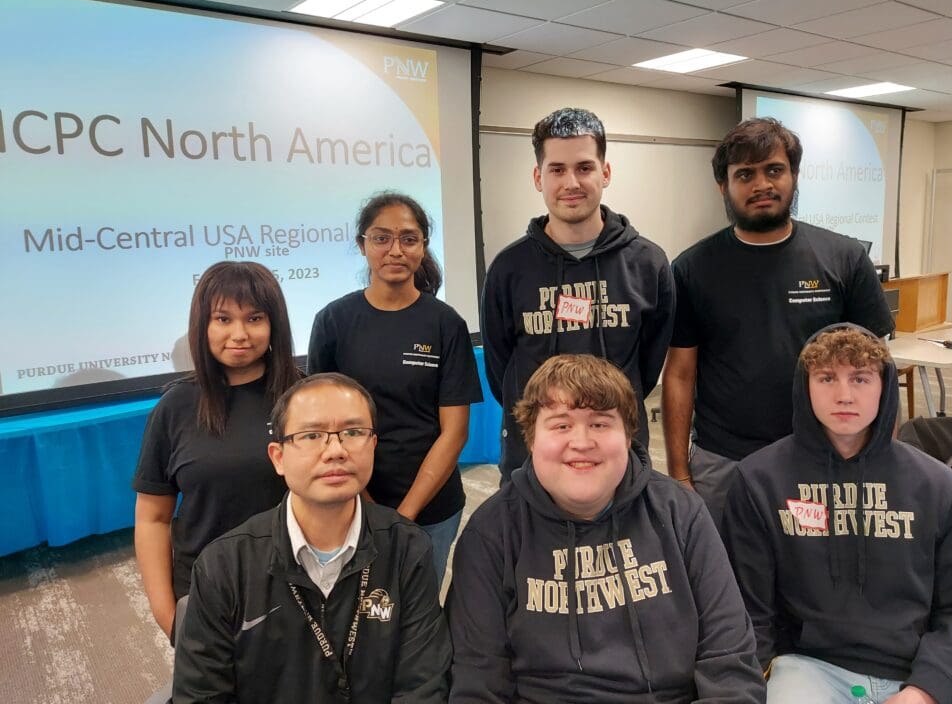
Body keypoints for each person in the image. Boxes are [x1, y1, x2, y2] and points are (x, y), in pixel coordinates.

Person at [447, 354, 765, 703]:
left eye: (600, 424)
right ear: (531, 438)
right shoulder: (491, 533)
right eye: (561, 425)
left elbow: (729, 659)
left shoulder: (681, 512)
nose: (581, 442)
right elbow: (478, 683)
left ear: (629, 436)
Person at [721, 325, 952, 704]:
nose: (844, 395)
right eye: (826, 378)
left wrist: (925, 691)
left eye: (860, 378)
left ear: (885, 386)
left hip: (919, 672)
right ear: (805, 385)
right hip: (807, 669)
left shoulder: (936, 486)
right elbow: (747, 613)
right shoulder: (758, 481)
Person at [662, 117, 895, 526]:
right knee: (726, 578)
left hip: (825, 454)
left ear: (794, 175)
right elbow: (680, 375)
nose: (762, 185)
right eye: (744, 174)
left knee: (816, 578)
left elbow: (879, 367)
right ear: (724, 186)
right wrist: (681, 474)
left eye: (774, 170)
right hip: (724, 462)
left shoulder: (843, 258)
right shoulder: (692, 269)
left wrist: (881, 457)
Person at [173, 373, 451, 703]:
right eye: (312, 435)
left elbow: (422, 684)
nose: (335, 450)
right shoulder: (225, 565)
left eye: (353, 432)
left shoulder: (407, 547)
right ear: (278, 457)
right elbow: (201, 695)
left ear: (373, 445)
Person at [481, 107, 674, 483]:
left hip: (619, 456)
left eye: (584, 168)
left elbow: (648, 366)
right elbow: (500, 370)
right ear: (539, 177)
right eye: (557, 170)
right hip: (532, 458)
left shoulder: (648, 263)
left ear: (605, 172)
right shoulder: (508, 268)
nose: (571, 182)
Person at [307, 192, 482, 584]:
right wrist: (366, 507)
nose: (395, 250)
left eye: (409, 238)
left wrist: (404, 516)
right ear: (362, 245)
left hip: (432, 508)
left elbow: (455, 432)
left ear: (423, 245)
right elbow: (321, 427)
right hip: (349, 502)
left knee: (419, 617)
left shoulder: (445, 324)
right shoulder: (333, 321)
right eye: (381, 238)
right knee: (353, 619)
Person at [133, 261, 301, 639]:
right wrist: (168, 615)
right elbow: (152, 519)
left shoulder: (304, 398)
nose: (239, 334)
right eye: (223, 319)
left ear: (274, 323)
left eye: (254, 318)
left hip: (299, 585)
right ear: (202, 326)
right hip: (206, 588)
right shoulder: (176, 406)